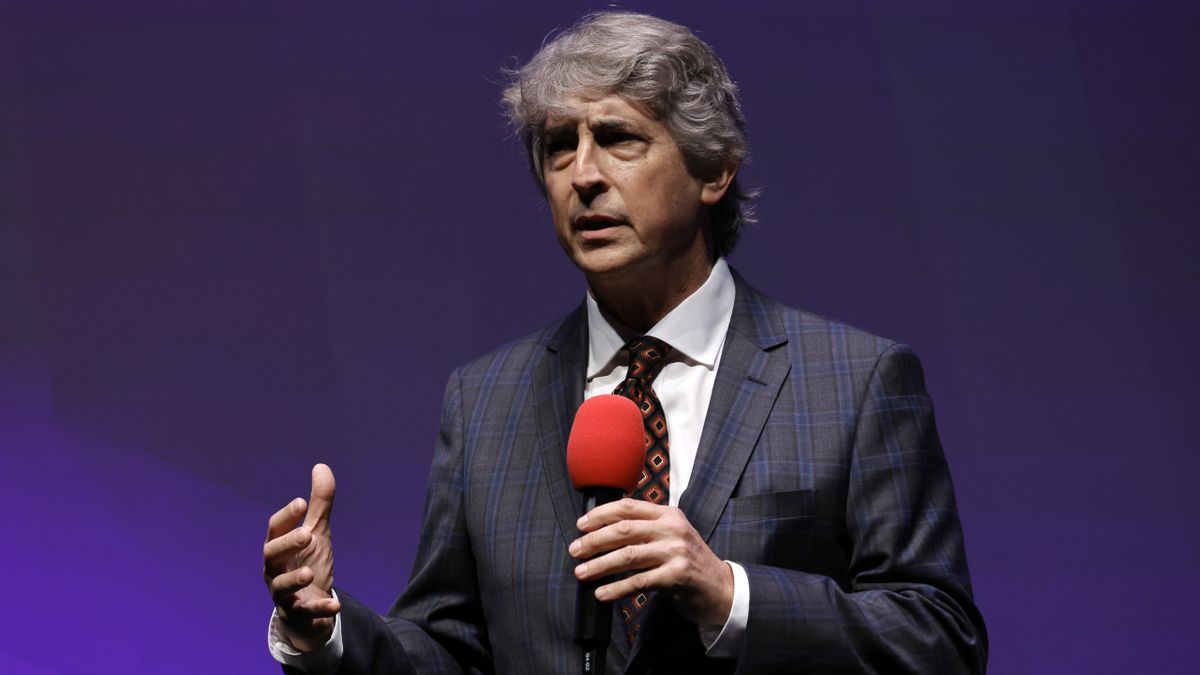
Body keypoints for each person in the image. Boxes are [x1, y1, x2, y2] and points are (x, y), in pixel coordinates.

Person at [263, 11, 987, 674]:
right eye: (557, 148)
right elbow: (451, 648)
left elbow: (939, 640)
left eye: (617, 138)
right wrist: (325, 630)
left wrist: (729, 593)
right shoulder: (484, 399)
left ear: (713, 169)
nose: (582, 176)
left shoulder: (856, 380)